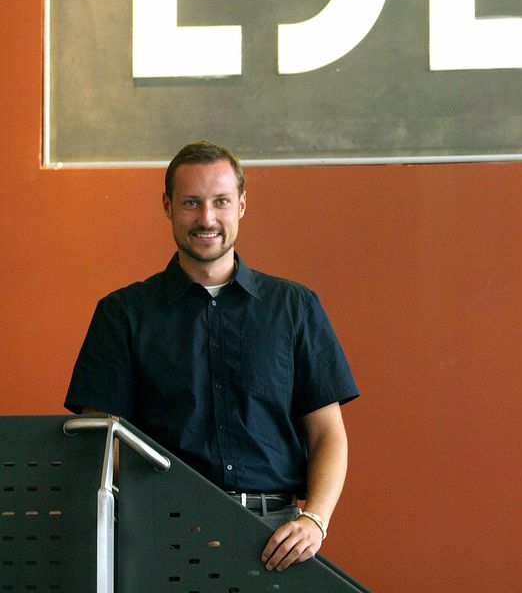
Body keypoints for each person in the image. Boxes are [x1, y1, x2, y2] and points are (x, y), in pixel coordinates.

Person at [65, 140, 359, 573]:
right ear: (167, 206)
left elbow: (327, 434)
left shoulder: (295, 307)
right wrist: (148, 517)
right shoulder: (122, 313)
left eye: (220, 201)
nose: (206, 218)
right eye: (191, 203)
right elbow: (101, 443)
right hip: (163, 534)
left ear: (241, 204)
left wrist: (315, 520)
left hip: (277, 539)